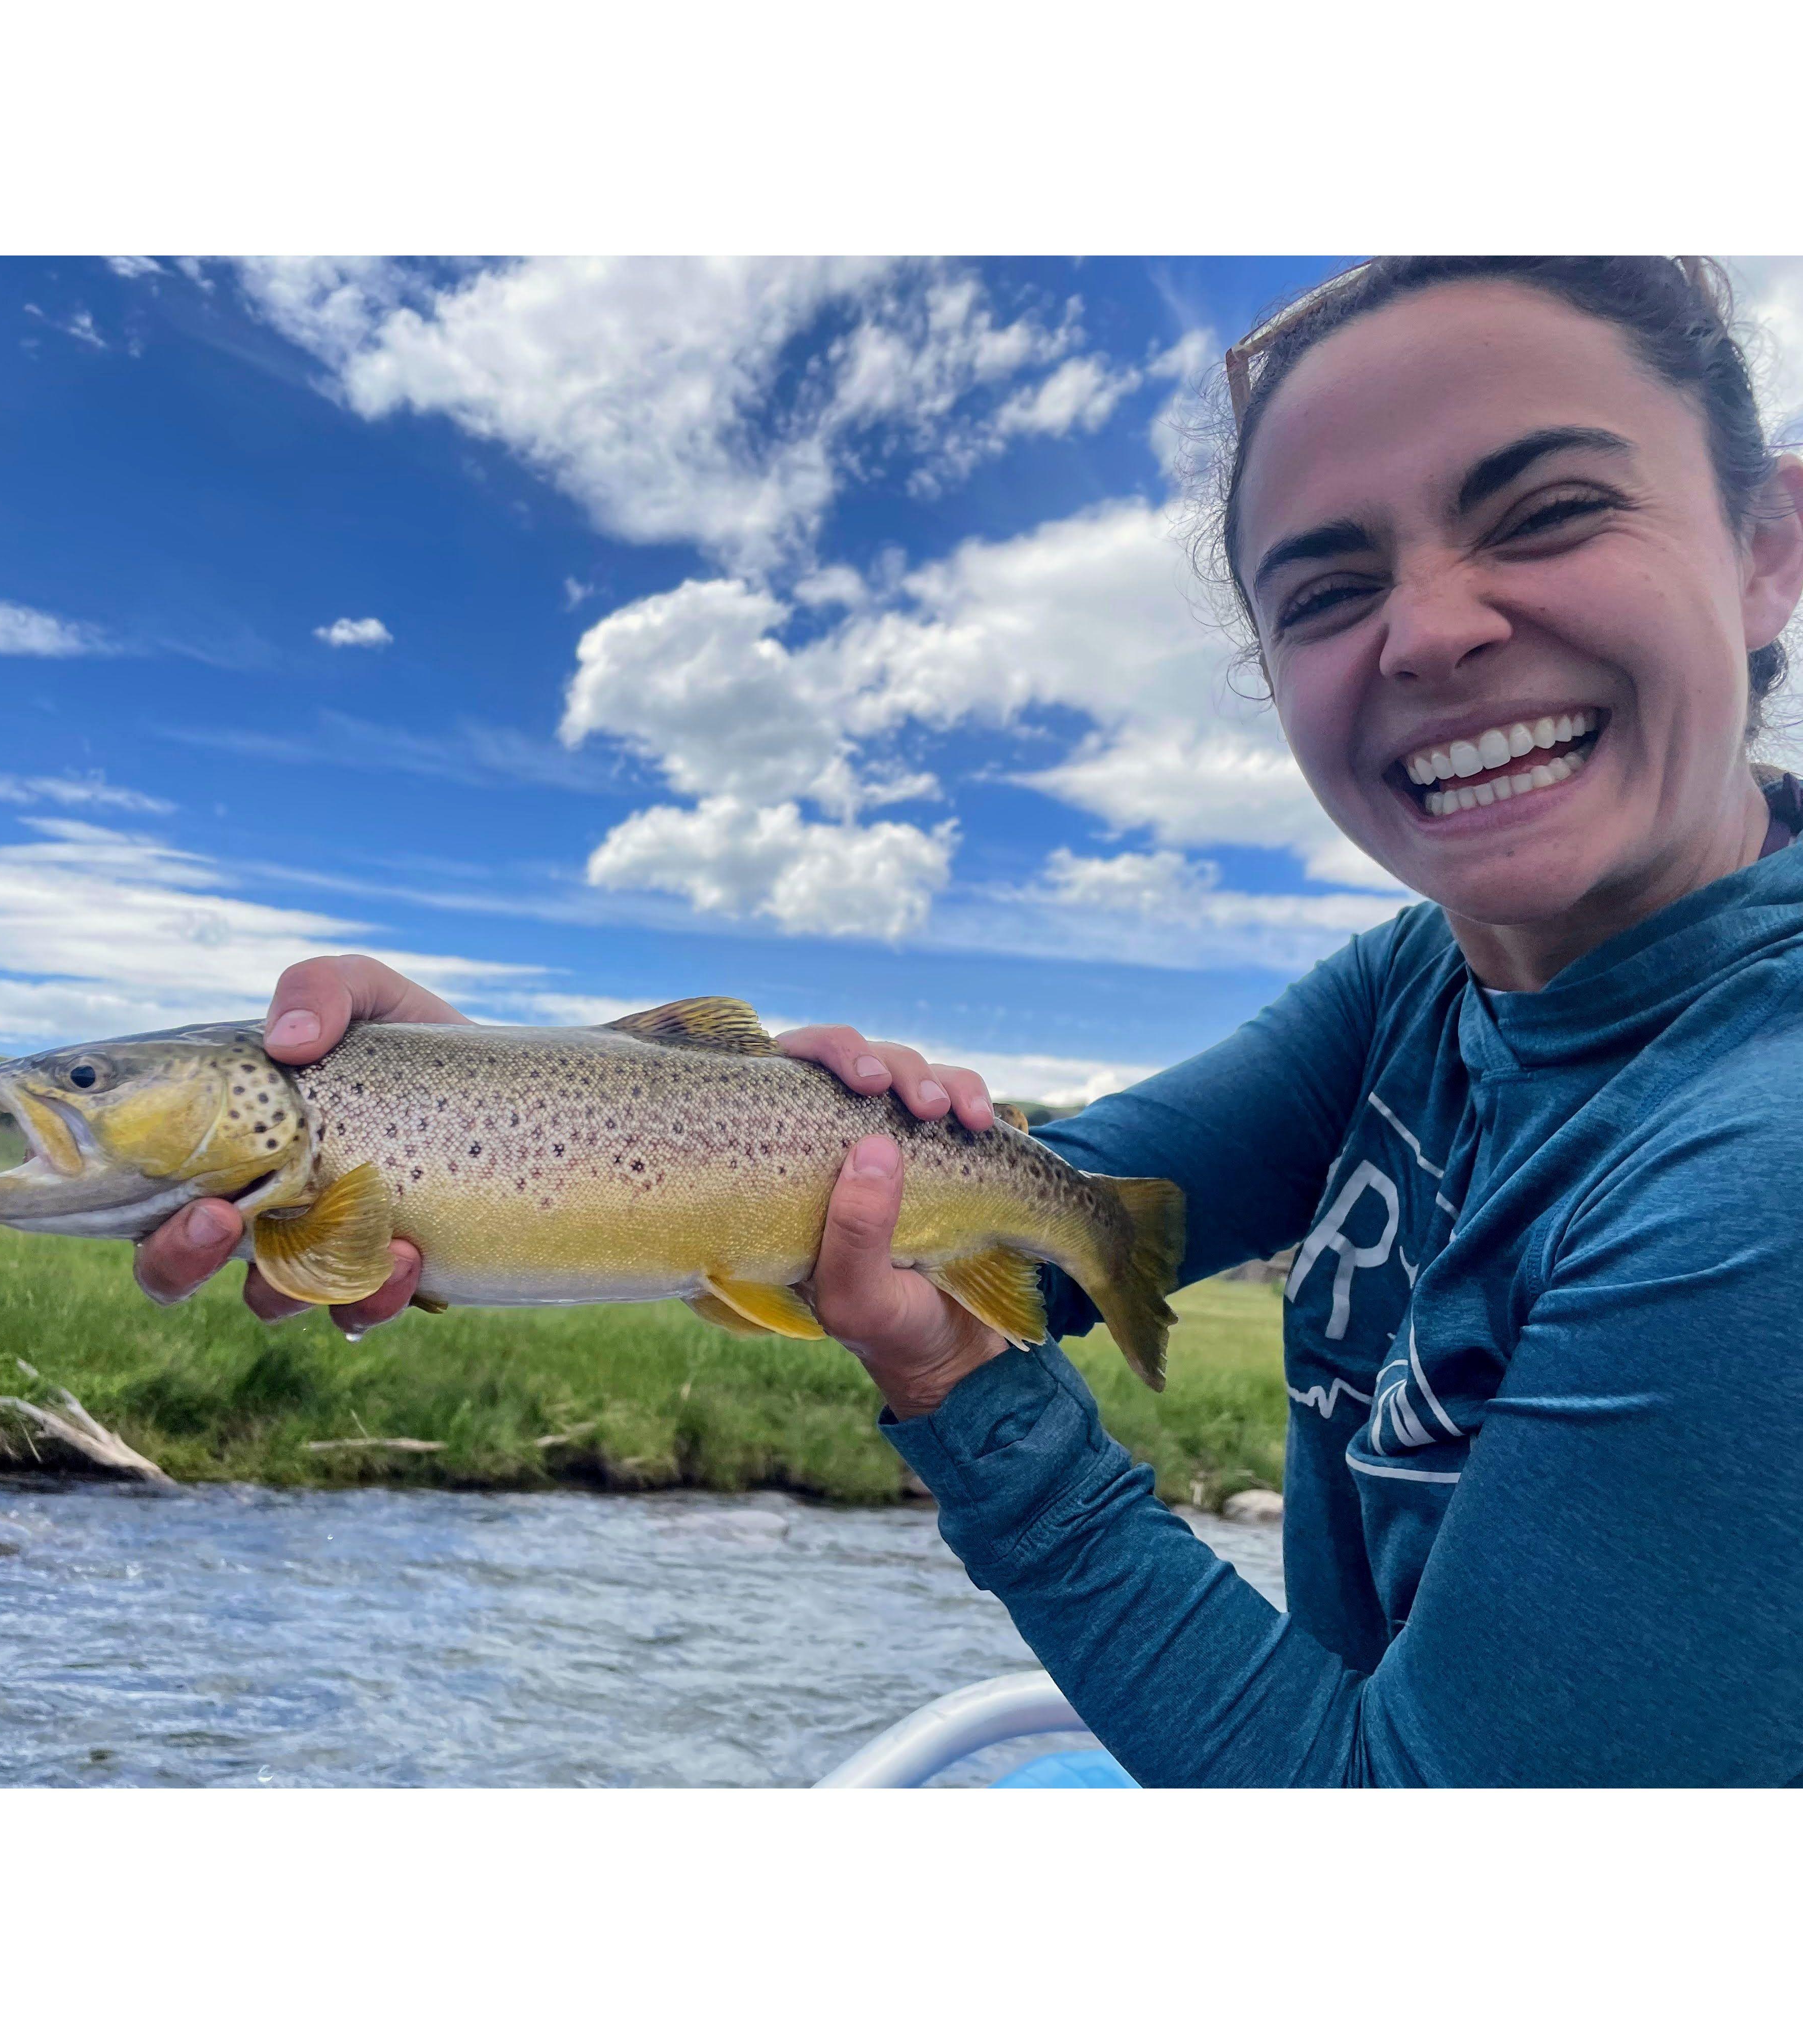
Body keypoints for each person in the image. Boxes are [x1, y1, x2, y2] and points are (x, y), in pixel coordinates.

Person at [135, 258, 1803, 1786]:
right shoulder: (1417, 984)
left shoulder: (1759, 1176)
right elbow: (1040, 1204)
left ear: (1768, 550)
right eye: (1326, 588)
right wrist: (465, 1117)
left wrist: (971, 1408)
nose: (1435, 627)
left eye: (1552, 510)